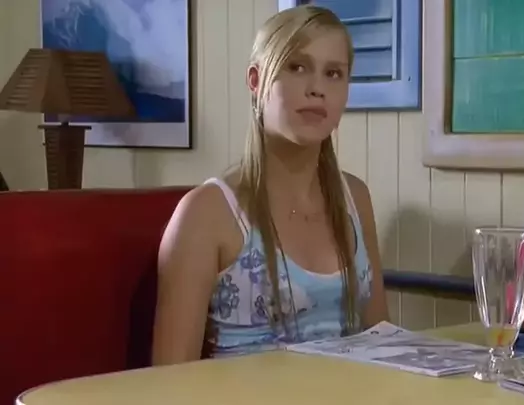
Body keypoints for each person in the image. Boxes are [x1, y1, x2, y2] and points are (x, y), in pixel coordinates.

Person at [151, 5, 389, 365]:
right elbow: (169, 379)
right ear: (256, 80)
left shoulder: (354, 199)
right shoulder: (207, 213)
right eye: (297, 67)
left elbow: (384, 344)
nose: (317, 89)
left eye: (333, 74)